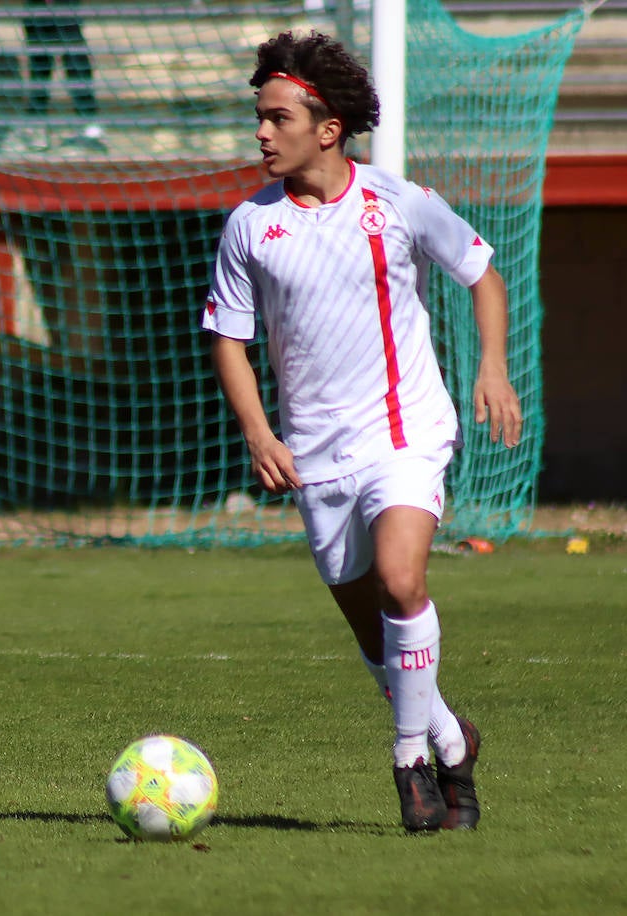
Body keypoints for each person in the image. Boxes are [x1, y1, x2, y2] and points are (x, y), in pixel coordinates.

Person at [202, 31, 522, 832]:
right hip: (313, 453)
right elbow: (227, 340)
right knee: (371, 630)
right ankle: (454, 739)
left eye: (277, 118)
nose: (262, 133)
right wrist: (258, 433)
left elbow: (484, 274)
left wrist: (492, 369)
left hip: (407, 431)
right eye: (260, 118)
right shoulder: (250, 226)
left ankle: (411, 756)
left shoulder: (397, 200)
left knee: (403, 580)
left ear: (328, 127)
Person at [22, 0, 104, 151]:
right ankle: (37, 125)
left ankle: (87, 121)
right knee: (40, 62)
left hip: (65, 9)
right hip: (38, 11)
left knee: (75, 59)